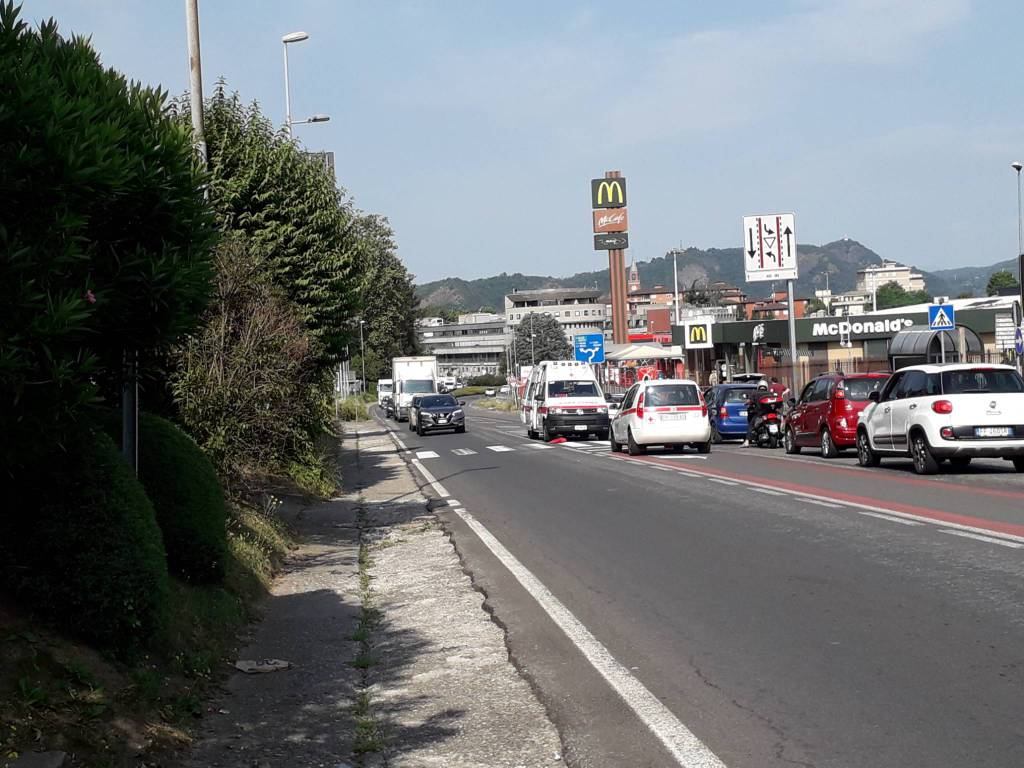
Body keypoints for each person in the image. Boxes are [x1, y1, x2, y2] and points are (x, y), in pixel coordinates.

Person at [742, 382, 771, 447]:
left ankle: (747, 441)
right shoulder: (770, 393)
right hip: (769, 413)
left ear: (759, 386)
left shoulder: (755, 393)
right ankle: (780, 441)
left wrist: (746, 403)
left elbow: (749, 401)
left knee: (751, 425)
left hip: (760, 413)